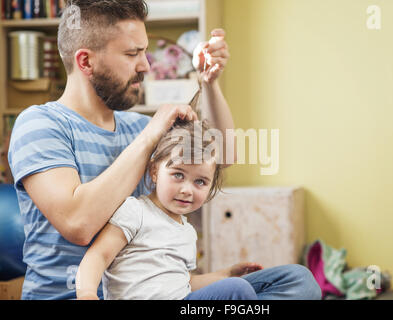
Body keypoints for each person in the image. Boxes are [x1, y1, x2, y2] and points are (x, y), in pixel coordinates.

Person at [7, 0, 233, 300]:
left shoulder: (138, 127)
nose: (146, 65)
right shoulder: (39, 124)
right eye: (132, 54)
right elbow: (79, 224)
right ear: (85, 62)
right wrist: (151, 135)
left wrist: (209, 84)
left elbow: (223, 155)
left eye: (144, 51)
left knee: (287, 281)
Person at [76, 120, 321, 300]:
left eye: (200, 182)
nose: (187, 190)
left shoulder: (187, 232)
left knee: (300, 280)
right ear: (154, 171)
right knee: (239, 292)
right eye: (178, 175)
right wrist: (87, 293)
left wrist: (225, 274)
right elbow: (99, 256)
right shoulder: (135, 210)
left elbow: (186, 283)